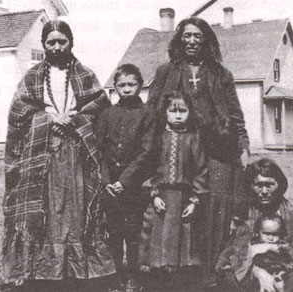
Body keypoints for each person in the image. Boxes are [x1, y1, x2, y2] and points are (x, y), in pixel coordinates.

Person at [2, 20, 114, 291]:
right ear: (43, 45)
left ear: (70, 43)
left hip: (76, 152)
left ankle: (78, 271)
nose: (56, 47)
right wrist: (48, 117)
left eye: (61, 41)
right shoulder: (32, 77)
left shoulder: (85, 74)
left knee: (75, 207)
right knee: (50, 208)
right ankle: (43, 270)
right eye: (50, 42)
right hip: (43, 153)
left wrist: (76, 118)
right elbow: (18, 110)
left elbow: (100, 104)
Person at [146, 17, 250, 287]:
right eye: (187, 35)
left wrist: (243, 144)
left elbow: (235, 114)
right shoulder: (166, 71)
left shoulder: (220, 73)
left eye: (198, 36)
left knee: (210, 206)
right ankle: (175, 272)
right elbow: (152, 111)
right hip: (178, 146)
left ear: (206, 40)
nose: (192, 41)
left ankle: (209, 273)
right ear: (180, 39)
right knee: (177, 207)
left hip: (216, 148)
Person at [96, 64, 159, 292]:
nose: (126, 89)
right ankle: (116, 277)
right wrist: (106, 182)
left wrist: (124, 181)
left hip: (134, 186)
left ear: (140, 86)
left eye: (131, 84)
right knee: (113, 233)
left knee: (133, 233)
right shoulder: (107, 115)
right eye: (121, 85)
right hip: (110, 187)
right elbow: (99, 151)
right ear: (115, 88)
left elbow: (147, 151)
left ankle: (132, 276)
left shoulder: (148, 114)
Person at [139, 91, 208, 292]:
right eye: (173, 111)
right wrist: (155, 194)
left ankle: (180, 284)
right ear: (165, 113)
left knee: (183, 243)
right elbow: (148, 167)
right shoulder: (158, 137)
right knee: (159, 241)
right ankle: (158, 284)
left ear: (190, 113)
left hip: (184, 199)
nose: (178, 116)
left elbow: (202, 170)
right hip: (162, 199)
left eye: (183, 111)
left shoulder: (194, 138)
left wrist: (195, 200)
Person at [216, 158, 293, 292]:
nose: (264, 191)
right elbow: (227, 256)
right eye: (258, 185)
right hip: (247, 272)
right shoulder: (241, 213)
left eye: (269, 184)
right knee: (230, 279)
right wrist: (257, 272)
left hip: (285, 270)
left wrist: (274, 247)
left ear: (280, 185)